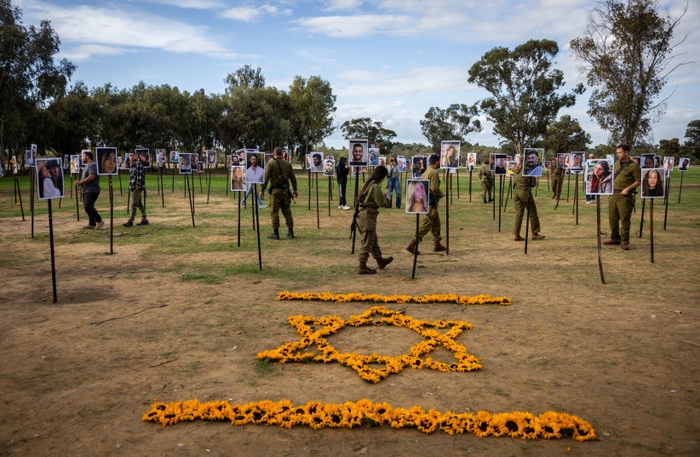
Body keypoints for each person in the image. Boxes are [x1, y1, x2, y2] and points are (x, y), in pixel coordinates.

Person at [355, 166, 393, 274]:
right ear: (381, 177)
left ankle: (380, 260)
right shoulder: (375, 187)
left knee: (373, 240)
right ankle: (362, 265)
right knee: (367, 242)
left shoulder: (367, 184)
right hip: (368, 216)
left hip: (363, 216)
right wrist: (387, 199)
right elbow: (382, 203)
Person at [405, 154, 446, 254]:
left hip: (427, 201)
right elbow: (434, 189)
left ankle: (437, 243)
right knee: (426, 224)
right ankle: (412, 244)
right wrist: (442, 194)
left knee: (436, 223)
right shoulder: (434, 173)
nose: (441, 163)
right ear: (436, 162)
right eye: (440, 161)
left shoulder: (427, 171)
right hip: (431, 202)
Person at [604, 144, 641, 251]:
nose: (618, 154)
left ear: (626, 152)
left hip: (624, 196)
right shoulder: (616, 164)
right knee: (612, 218)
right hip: (613, 194)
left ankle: (624, 241)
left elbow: (638, 181)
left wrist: (628, 189)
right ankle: (615, 238)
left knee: (624, 219)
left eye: (620, 152)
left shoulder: (634, 166)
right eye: (617, 153)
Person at [260, 147, 299, 239]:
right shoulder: (287, 164)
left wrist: (262, 190)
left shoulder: (271, 164)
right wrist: (295, 189)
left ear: (274, 154)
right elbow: (293, 178)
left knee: (274, 212)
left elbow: (266, 178)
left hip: (275, 192)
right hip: (285, 192)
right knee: (287, 211)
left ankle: (276, 233)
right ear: (282, 154)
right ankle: (290, 232)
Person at [513, 163, 545, 241]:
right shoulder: (526, 171)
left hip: (517, 192)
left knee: (519, 214)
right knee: (532, 213)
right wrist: (533, 176)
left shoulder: (517, 170)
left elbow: (514, 183)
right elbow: (533, 183)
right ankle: (535, 233)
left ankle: (516, 234)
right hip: (525, 192)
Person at [75, 151, 104, 229]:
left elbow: (92, 177)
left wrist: (81, 181)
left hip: (92, 190)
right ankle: (92, 224)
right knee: (90, 206)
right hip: (87, 189)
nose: (81, 157)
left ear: (88, 156)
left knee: (88, 206)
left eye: (83, 156)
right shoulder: (87, 166)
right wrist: (80, 183)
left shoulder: (92, 165)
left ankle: (99, 221)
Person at [123, 150, 148, 227]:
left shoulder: (138, 164)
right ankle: (144, 219)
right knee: (139, 204)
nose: (131, 157)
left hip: (137, 187)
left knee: (133, 204)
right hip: (133, 186)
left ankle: (131, 220)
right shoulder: (132, 165)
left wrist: (138, 185)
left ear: (136, 156)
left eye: (132, 155)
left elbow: (140, 176)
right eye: (130, 155)